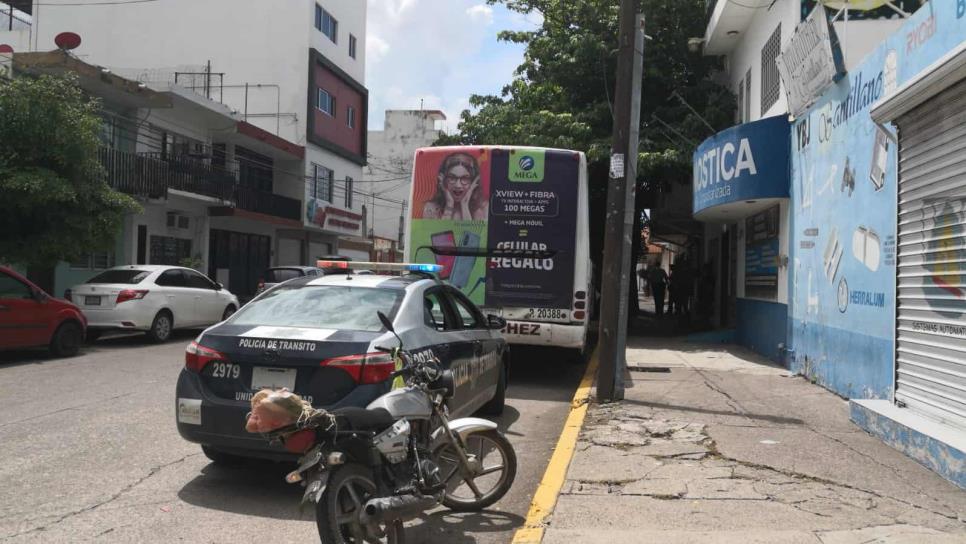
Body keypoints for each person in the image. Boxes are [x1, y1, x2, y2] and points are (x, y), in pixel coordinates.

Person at [422, 152, 488, 221]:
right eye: (452, 178)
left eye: (465, 178)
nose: (458, 185)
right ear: (443, 179)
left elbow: (471, 232)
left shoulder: (483, 208)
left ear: (474, 181)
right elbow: (439, 231)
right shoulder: (431, 208)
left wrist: (464, 205)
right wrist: (449, 204)